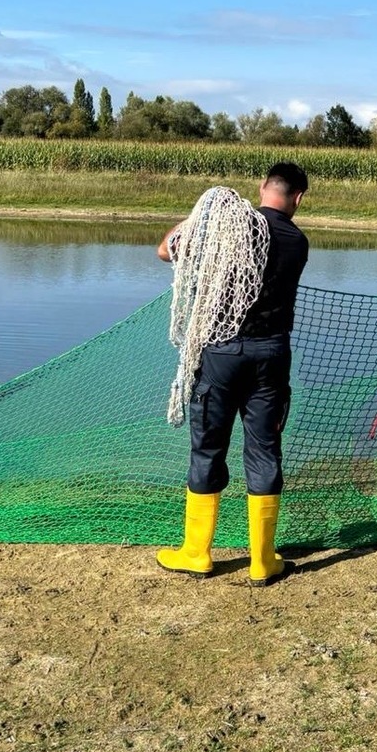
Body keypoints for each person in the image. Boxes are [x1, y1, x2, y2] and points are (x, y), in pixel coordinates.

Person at [155, 162, 310, 585]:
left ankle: (196, 554)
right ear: (298, 198)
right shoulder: (298, 241)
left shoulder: (229, 230)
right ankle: (262, 561)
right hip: (272, 355)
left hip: (222, 354)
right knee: (264, 451)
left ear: (262, 187)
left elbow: (166, 250)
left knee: (208, 449)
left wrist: (203, 213)